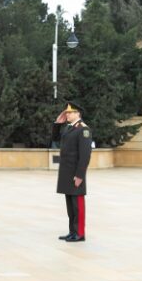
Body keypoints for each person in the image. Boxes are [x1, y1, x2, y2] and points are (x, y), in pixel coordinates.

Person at [53, 100, 92, 242]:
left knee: (78, 205)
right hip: (66, 172)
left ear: (78, 113)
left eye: (70, 112)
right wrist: (57, 123)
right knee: (70, 206)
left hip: (76, 173)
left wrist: (80, 175)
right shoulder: (69, 128)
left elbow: (85, 155)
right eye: (66, 112)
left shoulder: (84, 130)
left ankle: (80, 233)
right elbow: (55, 139)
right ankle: (72, 231)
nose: (67, 114)